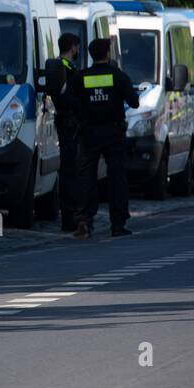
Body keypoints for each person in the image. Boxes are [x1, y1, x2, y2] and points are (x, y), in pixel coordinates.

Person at [70, 38, 139, 238]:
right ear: (107, 54)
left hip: (88, 133)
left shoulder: (81, 77)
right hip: (114, 133)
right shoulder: (118, 76)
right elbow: (134, 103)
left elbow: (71, 102)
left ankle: (84, 220)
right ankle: (118, 224)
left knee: (86, 177)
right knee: (117, 178)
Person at [52, 32, 81, 231]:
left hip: (68, 123)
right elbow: (65, 98)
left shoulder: (62, 67)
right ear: (72, 47)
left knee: (71, 170)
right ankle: (69, 217)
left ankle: (71, 215)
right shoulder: (64, 68)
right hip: (68, 124)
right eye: (77, 47)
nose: (77, 50)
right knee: (70, 171)